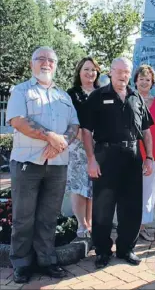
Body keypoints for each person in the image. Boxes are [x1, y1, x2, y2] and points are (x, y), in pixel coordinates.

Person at [6, 46, 79, 283]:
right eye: (41, 59)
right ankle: (22, 263)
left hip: (57, 162)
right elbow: (18, 121)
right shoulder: (21, 91)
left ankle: (47, 259)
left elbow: (74, 126)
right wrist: (50, 136)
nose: (46, 63)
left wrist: (61, 142)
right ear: (32, 64)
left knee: (49, 215)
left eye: (51, 60)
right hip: (28, 162)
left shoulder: (64, 96)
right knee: (23, 216)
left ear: (55, 65)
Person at [81, 57, 154, 269]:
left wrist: (149, 157)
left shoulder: (136, 97)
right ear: (111, 72)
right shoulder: (97, 96)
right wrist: (91, 160)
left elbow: (147, 131)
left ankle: (126, 248)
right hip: (105, 156)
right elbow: (86, 131)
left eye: (126, 71)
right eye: (119, 71)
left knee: (131, 206)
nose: (122, 75)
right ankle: (102, 250)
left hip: (132, 156)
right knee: (103, 207)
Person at [66, 57, 100, 238]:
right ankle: (81, 224)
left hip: (99, 146)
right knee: (79, 186)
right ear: (79, 72)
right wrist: (84, 137)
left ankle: (91, 223)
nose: (90, 73)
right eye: (86, 69)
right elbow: (69, 121)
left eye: (93, 70)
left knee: (93, 187)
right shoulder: (71, 94)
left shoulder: (102, 92)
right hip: (78, 146)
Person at [135, 65, 155, 242]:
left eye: (148, 79)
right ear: (135, 81)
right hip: (130, 153)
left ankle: (142, 227)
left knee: (148, 192)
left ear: (152, 82)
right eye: (141, 79)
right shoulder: (128, 100)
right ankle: (130, 227)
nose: (144, 82)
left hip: (151, 155)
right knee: (131, 191)